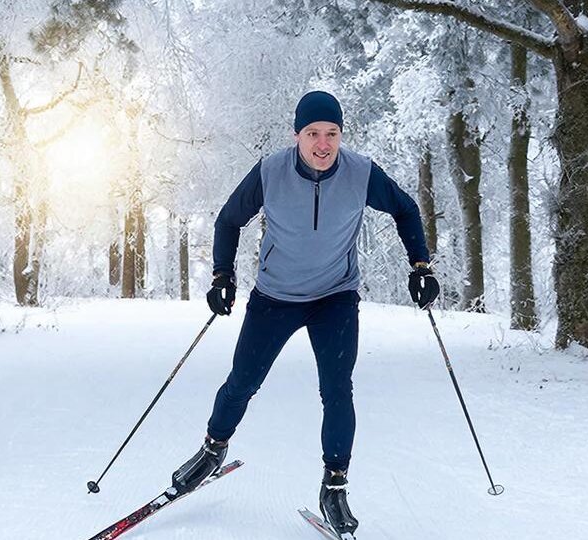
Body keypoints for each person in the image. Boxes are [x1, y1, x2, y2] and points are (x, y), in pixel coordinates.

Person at [170, 90, 439, 537]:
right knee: (242, 382)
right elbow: (227, 220)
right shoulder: (270, 172)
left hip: (335, 296)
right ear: (297, 135)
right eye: (312, 133)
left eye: (331, 133)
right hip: (276, 296)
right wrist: (223, 276)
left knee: (337, 390)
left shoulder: (361, 173)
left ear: (340, 135)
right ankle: (212, 449)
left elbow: (406, 210)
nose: (322, 143)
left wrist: (420, 266)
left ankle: (334, 485)